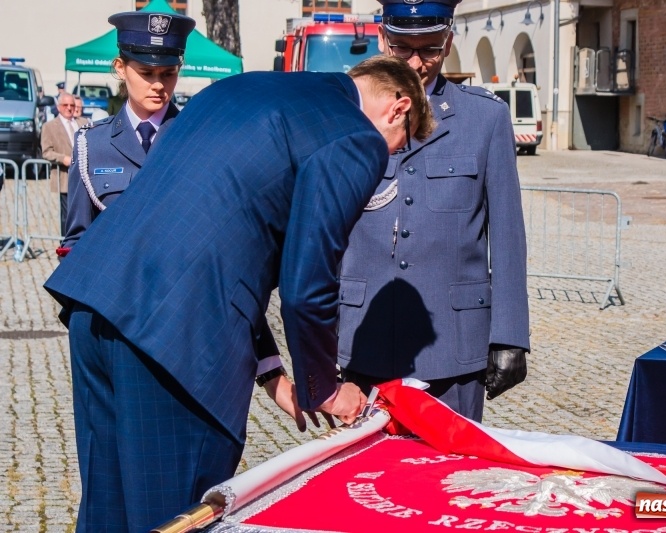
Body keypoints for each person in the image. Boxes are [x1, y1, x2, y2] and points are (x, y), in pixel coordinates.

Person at [43, 53, 433, 532]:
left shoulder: (240, 90)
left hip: (98, 303)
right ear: (397, 109)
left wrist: (274, 375)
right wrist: (325, 390)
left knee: (107, 509)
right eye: (400, 144)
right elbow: (307, 284)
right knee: (175, 515)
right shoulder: (355, 135)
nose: (390, 156)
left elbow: (222, 246)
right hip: (178, 340)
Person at [337, 0, 530, 422]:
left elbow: (508, 236)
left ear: (448, 40)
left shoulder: (485, 118)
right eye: (403, 48)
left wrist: (510, 336)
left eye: (430, 48)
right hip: (364, 337)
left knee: (446, 478)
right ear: (384, 39)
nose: (417, 62)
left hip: (453, 343)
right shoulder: (346, 115)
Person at [58, 10, 189, 254]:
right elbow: (76, 242)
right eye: (146, 73)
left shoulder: (196, 139)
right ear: (120, 67)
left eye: (168, 73)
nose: (159, 84)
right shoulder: (93, 143)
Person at [40, 92, 78, 236]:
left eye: (72, 105)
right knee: (67, 216)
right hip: (65, 178)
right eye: (65, 105)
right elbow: (46, 152)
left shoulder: (83, 123)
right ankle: (65, 251)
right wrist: (64, 159)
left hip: (85, 178)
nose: (69, 108)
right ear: (58, 107)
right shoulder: (49, 127)